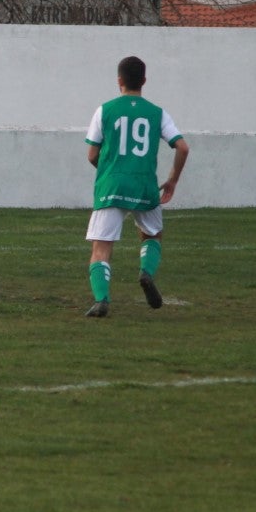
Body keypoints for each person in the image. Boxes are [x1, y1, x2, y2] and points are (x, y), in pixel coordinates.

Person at [82, 56, 189, 318]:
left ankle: (102, 300)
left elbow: (91, 154)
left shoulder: (104, 110)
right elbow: (183, 147)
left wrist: (110, 170)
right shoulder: (157, 113)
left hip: (112, 184)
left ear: (119, 80)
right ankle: (146, 272)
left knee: (101, 246)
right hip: (144, 185)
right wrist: (173, 179)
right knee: (152, 235)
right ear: (143, 81)